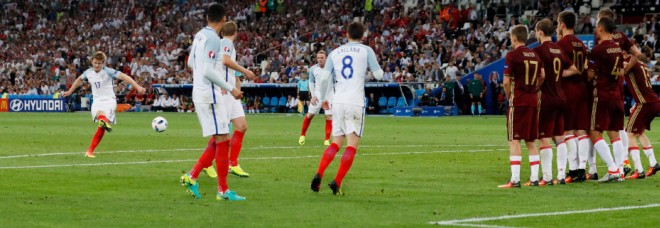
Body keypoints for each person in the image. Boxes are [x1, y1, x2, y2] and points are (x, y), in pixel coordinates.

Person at [179, 4, 248, 201]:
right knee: (224, 139)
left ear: (207, 17)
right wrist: (232, 88)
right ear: (224, 18)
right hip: (209, 94)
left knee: (222, 138)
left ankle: (192, 177)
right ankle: (222, 191)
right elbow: (209, 71)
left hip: (199, 92)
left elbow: (191, 63)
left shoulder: (200, 35)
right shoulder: (213, 39)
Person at [310, 22, 383, 195]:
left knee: (336, 142)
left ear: (346, 34)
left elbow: (326, 78)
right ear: (363, 35)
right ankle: (337, 182)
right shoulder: (366, 50)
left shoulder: (335, 52)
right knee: (351, 145)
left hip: (338, 101)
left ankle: (319, 173)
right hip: (355, 101)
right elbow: (379, 75)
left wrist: (322, 99)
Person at [62, 51, 146, 158]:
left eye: (99, 63)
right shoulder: (88, 73)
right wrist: (69, 91)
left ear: (103, 63)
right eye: (95, 63)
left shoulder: (108, 71)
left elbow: (125, 77)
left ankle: (90, 150)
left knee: (101, 123)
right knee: (100, 116)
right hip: (96, 101)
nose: (97, 65)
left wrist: (138, 87)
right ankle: (91, 148)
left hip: (109, 101)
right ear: (92, 61)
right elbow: (78, 80)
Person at [596, 9, 643, 177]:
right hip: (617, 86)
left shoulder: (600, 41)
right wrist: (625, 69)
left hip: (603, 88)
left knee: (597, 130)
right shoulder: (622, 36)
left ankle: (597, 167)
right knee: (618, 126)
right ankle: (624, 162)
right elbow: (637, 53)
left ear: (602, 22)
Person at [207, 21, 257, 178]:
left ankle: (233, 163)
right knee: (222, 131)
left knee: (241, 126)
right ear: (236, 32)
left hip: (231, 92)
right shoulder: (226, 42)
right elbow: (225, 61)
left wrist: (237, 86)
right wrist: (246, 70)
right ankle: (206, 164)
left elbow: (229, 68)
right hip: (224, 92)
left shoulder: (222, 44)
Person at [498, 25, 545, 188]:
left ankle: (515, 179)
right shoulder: (535, 54)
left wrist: (510, 96)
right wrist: (534, 89)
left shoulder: (512, 55)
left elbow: (505, 82)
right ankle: (534, 179)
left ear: (515, 38)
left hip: (518, 101)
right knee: (531, 141)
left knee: (514, 140)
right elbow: (542, 76)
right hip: (533, 100)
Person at [532, 19, 578, 185]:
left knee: (543, 137)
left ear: (540, 32)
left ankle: (547, 177)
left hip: (547, 97)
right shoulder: (558, 49)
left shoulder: (538, 50)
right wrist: (557, 76)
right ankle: (560, 176)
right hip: (561, 97)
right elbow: (574, 69)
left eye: (536, 32)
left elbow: (540, 75)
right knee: (559, 137)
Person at [587, 17, 625, 183]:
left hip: (601, 94)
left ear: (601, 29)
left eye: (597, 27)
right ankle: (620, 170)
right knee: (615, 133)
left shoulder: (598, 50)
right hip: (616, 94)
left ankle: (612, 168)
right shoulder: (617, 49)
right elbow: (622, 71)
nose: (595, 29)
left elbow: (590, 74)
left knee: (594, 132)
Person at [556, 11, 592, 182]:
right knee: (581, 130)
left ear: (562, 24)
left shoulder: (562, 44)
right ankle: (582, 169)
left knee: (568, 130)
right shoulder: (581, 44)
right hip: (582, 88)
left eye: (557, 23)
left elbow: (559, 69)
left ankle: (573, 170)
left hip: (568, 89)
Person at [622, 49, 660, 178]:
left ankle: (638, 170)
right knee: (638, 132)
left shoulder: (628, 63)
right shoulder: (642, 64)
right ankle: (653, 163)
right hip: (652, 101)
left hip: (645, 103)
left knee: (629, 133)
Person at [299, 51, 333, 146]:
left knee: (328, 116)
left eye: (322, 58)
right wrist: (313, 96)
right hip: (317, 96)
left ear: (326, 58)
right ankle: (302, 135)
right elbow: (311, 83)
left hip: (329, 96)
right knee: (309, 115)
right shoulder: (313, 69)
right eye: (318, 58)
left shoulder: (332, 68)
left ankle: (326, 140)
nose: (320, 60)